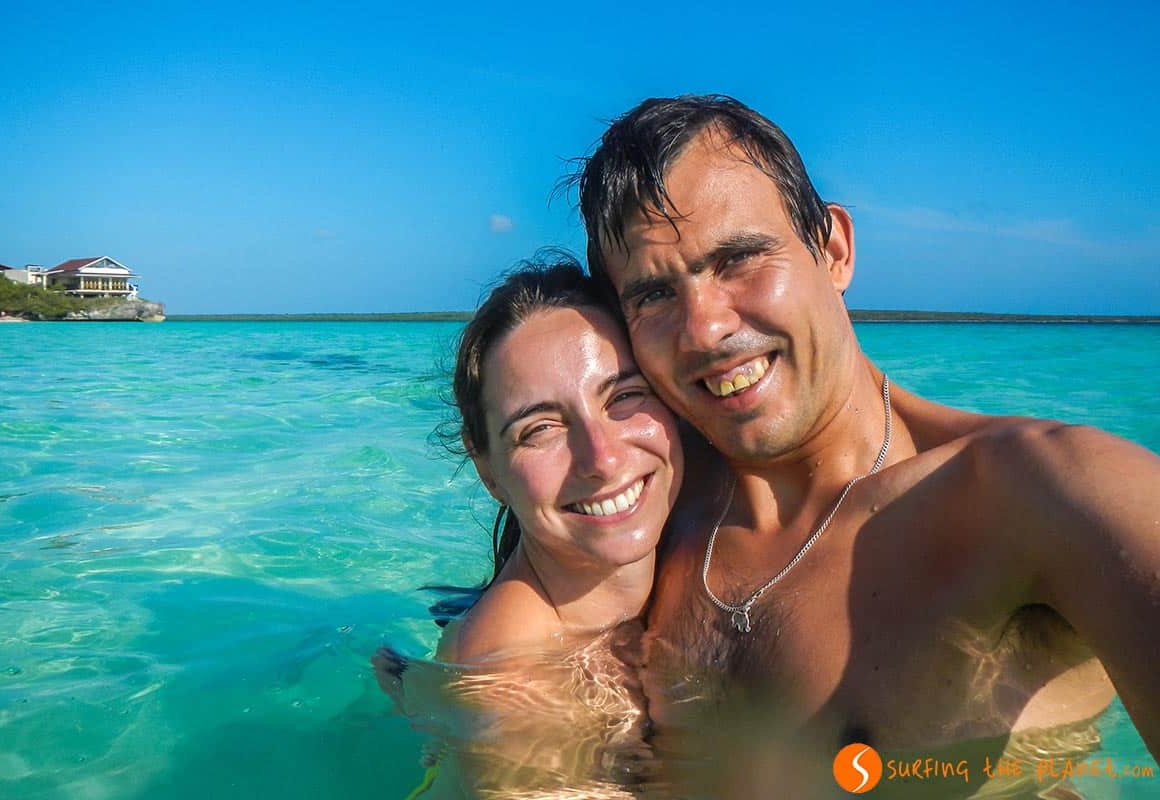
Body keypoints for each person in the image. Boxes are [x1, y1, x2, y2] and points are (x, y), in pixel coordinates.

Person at [574, 94, 1160, 797]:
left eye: (739, 258)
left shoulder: (1034, 492)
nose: (703, 329)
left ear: (834, 249)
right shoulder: (641, 505)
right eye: (653, 295)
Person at [374, 257, 684, 799]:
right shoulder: (522, 696)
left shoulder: (706, 526)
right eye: (540, 428)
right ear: (487, 468)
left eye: (624, 396)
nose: (603, 459)